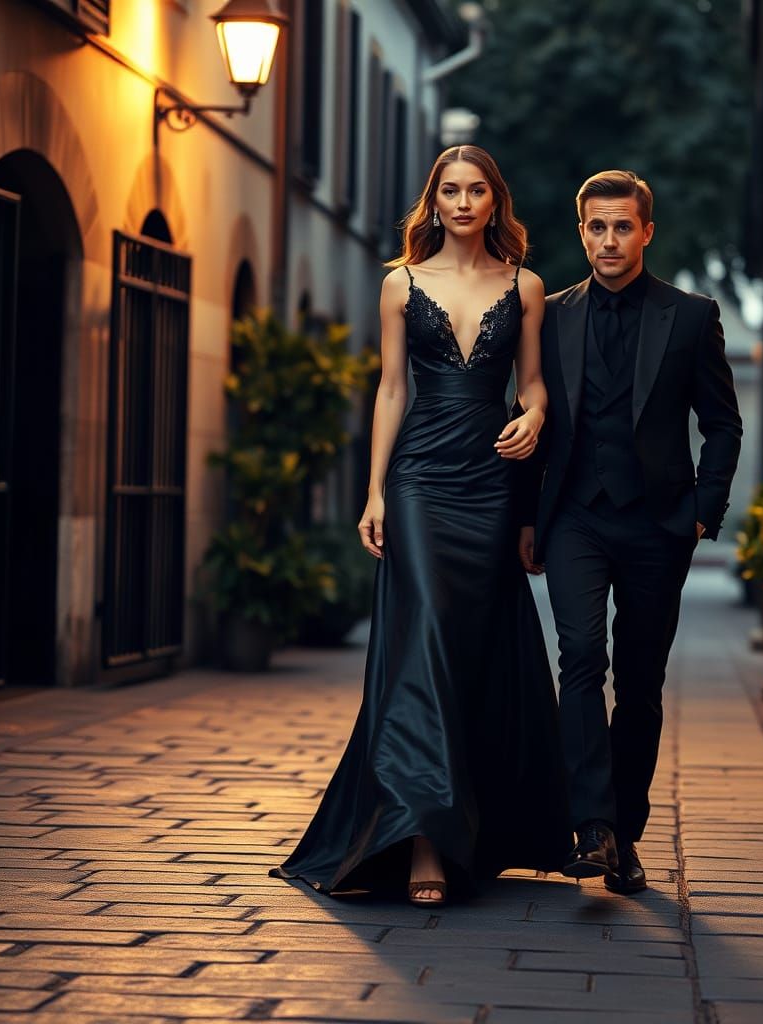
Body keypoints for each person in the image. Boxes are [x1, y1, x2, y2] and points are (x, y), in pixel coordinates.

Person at [270, 145, 570, 906]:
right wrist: (374, 490)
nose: (463, 202)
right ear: (432, 203)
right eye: (450, 191)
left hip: (491, 480)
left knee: (471, 649)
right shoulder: (399, 285)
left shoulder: (526, 286)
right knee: (427, 637)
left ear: (495, 202)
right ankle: (423, 839)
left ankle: (475, 824)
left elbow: (532, 385)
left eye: (476, 191)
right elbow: (391, 390)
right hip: (419, 480)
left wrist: (533, 416)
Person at [516, 170, 742, 895]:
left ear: (646, 231)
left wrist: (703, 511)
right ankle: (594, 828)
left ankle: (627, 832)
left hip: (657, 523)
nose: (608, 240)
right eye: (596, 227)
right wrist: (527, 518)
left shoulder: (690, 315)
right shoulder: (548, 315)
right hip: (578, 514)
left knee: (641, 684)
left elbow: (723, 424)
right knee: (580, 655)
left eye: (622, 227)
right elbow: (530, 421)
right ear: (581, 230)